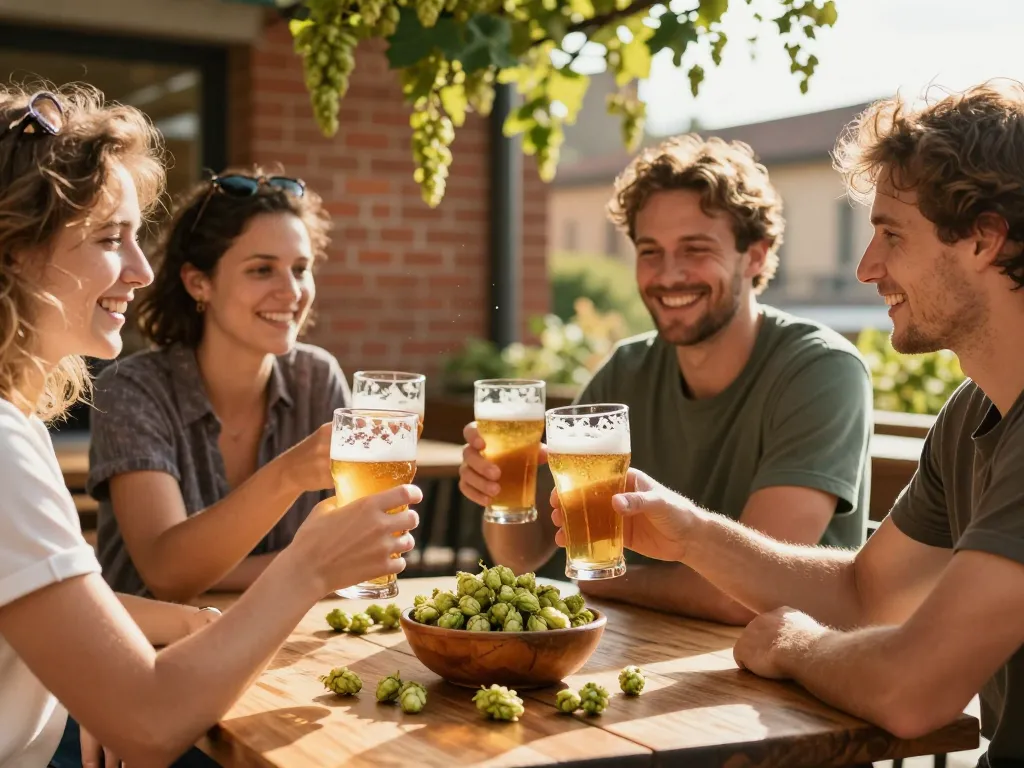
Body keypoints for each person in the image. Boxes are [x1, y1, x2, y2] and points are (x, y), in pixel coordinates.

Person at [549, 81, 1024, 767]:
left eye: (891, 234)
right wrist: (690, 534)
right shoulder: (971, 413)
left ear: (983, 239)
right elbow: (865, 593)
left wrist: (796, 644)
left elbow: (912, 691)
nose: (866, 267)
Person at [0, 84, 419, 767]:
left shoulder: (17, 428)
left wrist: (181, 631)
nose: (141, 270)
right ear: (16, 251)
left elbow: (53, 606)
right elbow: (150, 722)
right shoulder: (10, 445)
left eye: (301, 269)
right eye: (110, 238)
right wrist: (307, 565)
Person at [459, 134, 874, 625]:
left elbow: (747, 596)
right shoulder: (626, 370)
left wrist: (600, 582)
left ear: (756, 256)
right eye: (650, 251)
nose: (669, 274)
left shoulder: (820, 370)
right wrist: (499, 489)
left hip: (783, 663)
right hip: (644, 651)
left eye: (695, 249)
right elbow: (520, 555)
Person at [85, 166, 349, 602]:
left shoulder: (316, 378)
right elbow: (167, 573)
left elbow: (355, 545)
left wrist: (316, 565)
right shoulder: (131, 389)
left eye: (301, 269)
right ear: (198, 283)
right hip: (153, 639)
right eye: (262, 270)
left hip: (296, 633)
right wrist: (289, 476)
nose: (291, 292)